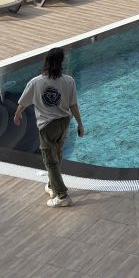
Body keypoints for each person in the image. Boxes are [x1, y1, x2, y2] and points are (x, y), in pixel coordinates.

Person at [14, 47, 86, 207]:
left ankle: (62, 196)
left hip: (47, 126)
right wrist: (80, 125)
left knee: (50, 161)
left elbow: (23, 102)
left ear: (46, 62)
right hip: (64, 123)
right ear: (61, 62)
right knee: (57, 155)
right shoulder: (69, 81)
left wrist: (17, 114)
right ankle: (52, 186)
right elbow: (73, 105)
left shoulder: (36, 82)